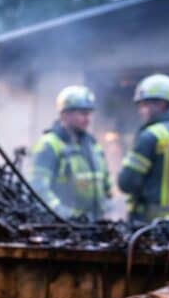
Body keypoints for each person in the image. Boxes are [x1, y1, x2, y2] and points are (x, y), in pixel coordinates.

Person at [118, 74, 169, 222]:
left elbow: (127, 182)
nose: (141, 111)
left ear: (161, 104)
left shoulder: (151, 136)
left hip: (151, 225)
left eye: (144, 105)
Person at [29, 85, 111, 220]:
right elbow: (37, 188)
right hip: (63, 228)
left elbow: (105, 184)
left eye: (89, 113)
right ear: (65, 115)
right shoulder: (49, 145)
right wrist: (63, 214)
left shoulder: (92, 145)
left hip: (93, 227)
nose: (87, 119)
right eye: (82, 114)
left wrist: (108, 207)